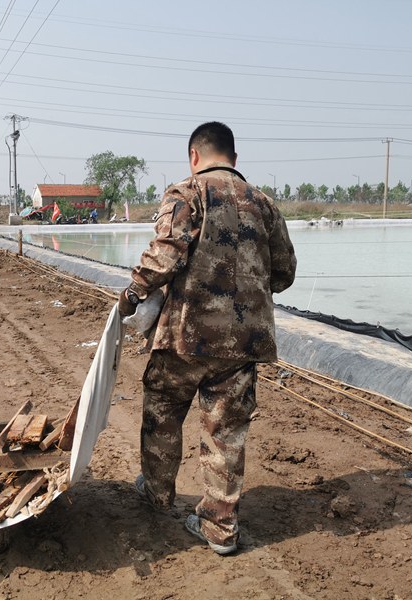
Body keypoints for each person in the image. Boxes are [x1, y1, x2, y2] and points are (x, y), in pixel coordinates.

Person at [118, 122, 296, 555]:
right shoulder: (264, 204)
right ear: (233, 157)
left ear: (194, 156)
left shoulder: (188, 192)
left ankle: (157, 491)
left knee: (163, 408)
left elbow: (165, 254)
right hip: (243, 344)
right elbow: (284, 272)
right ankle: (220, 526)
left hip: (187, 337)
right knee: (226, 430)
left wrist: (133, 293)